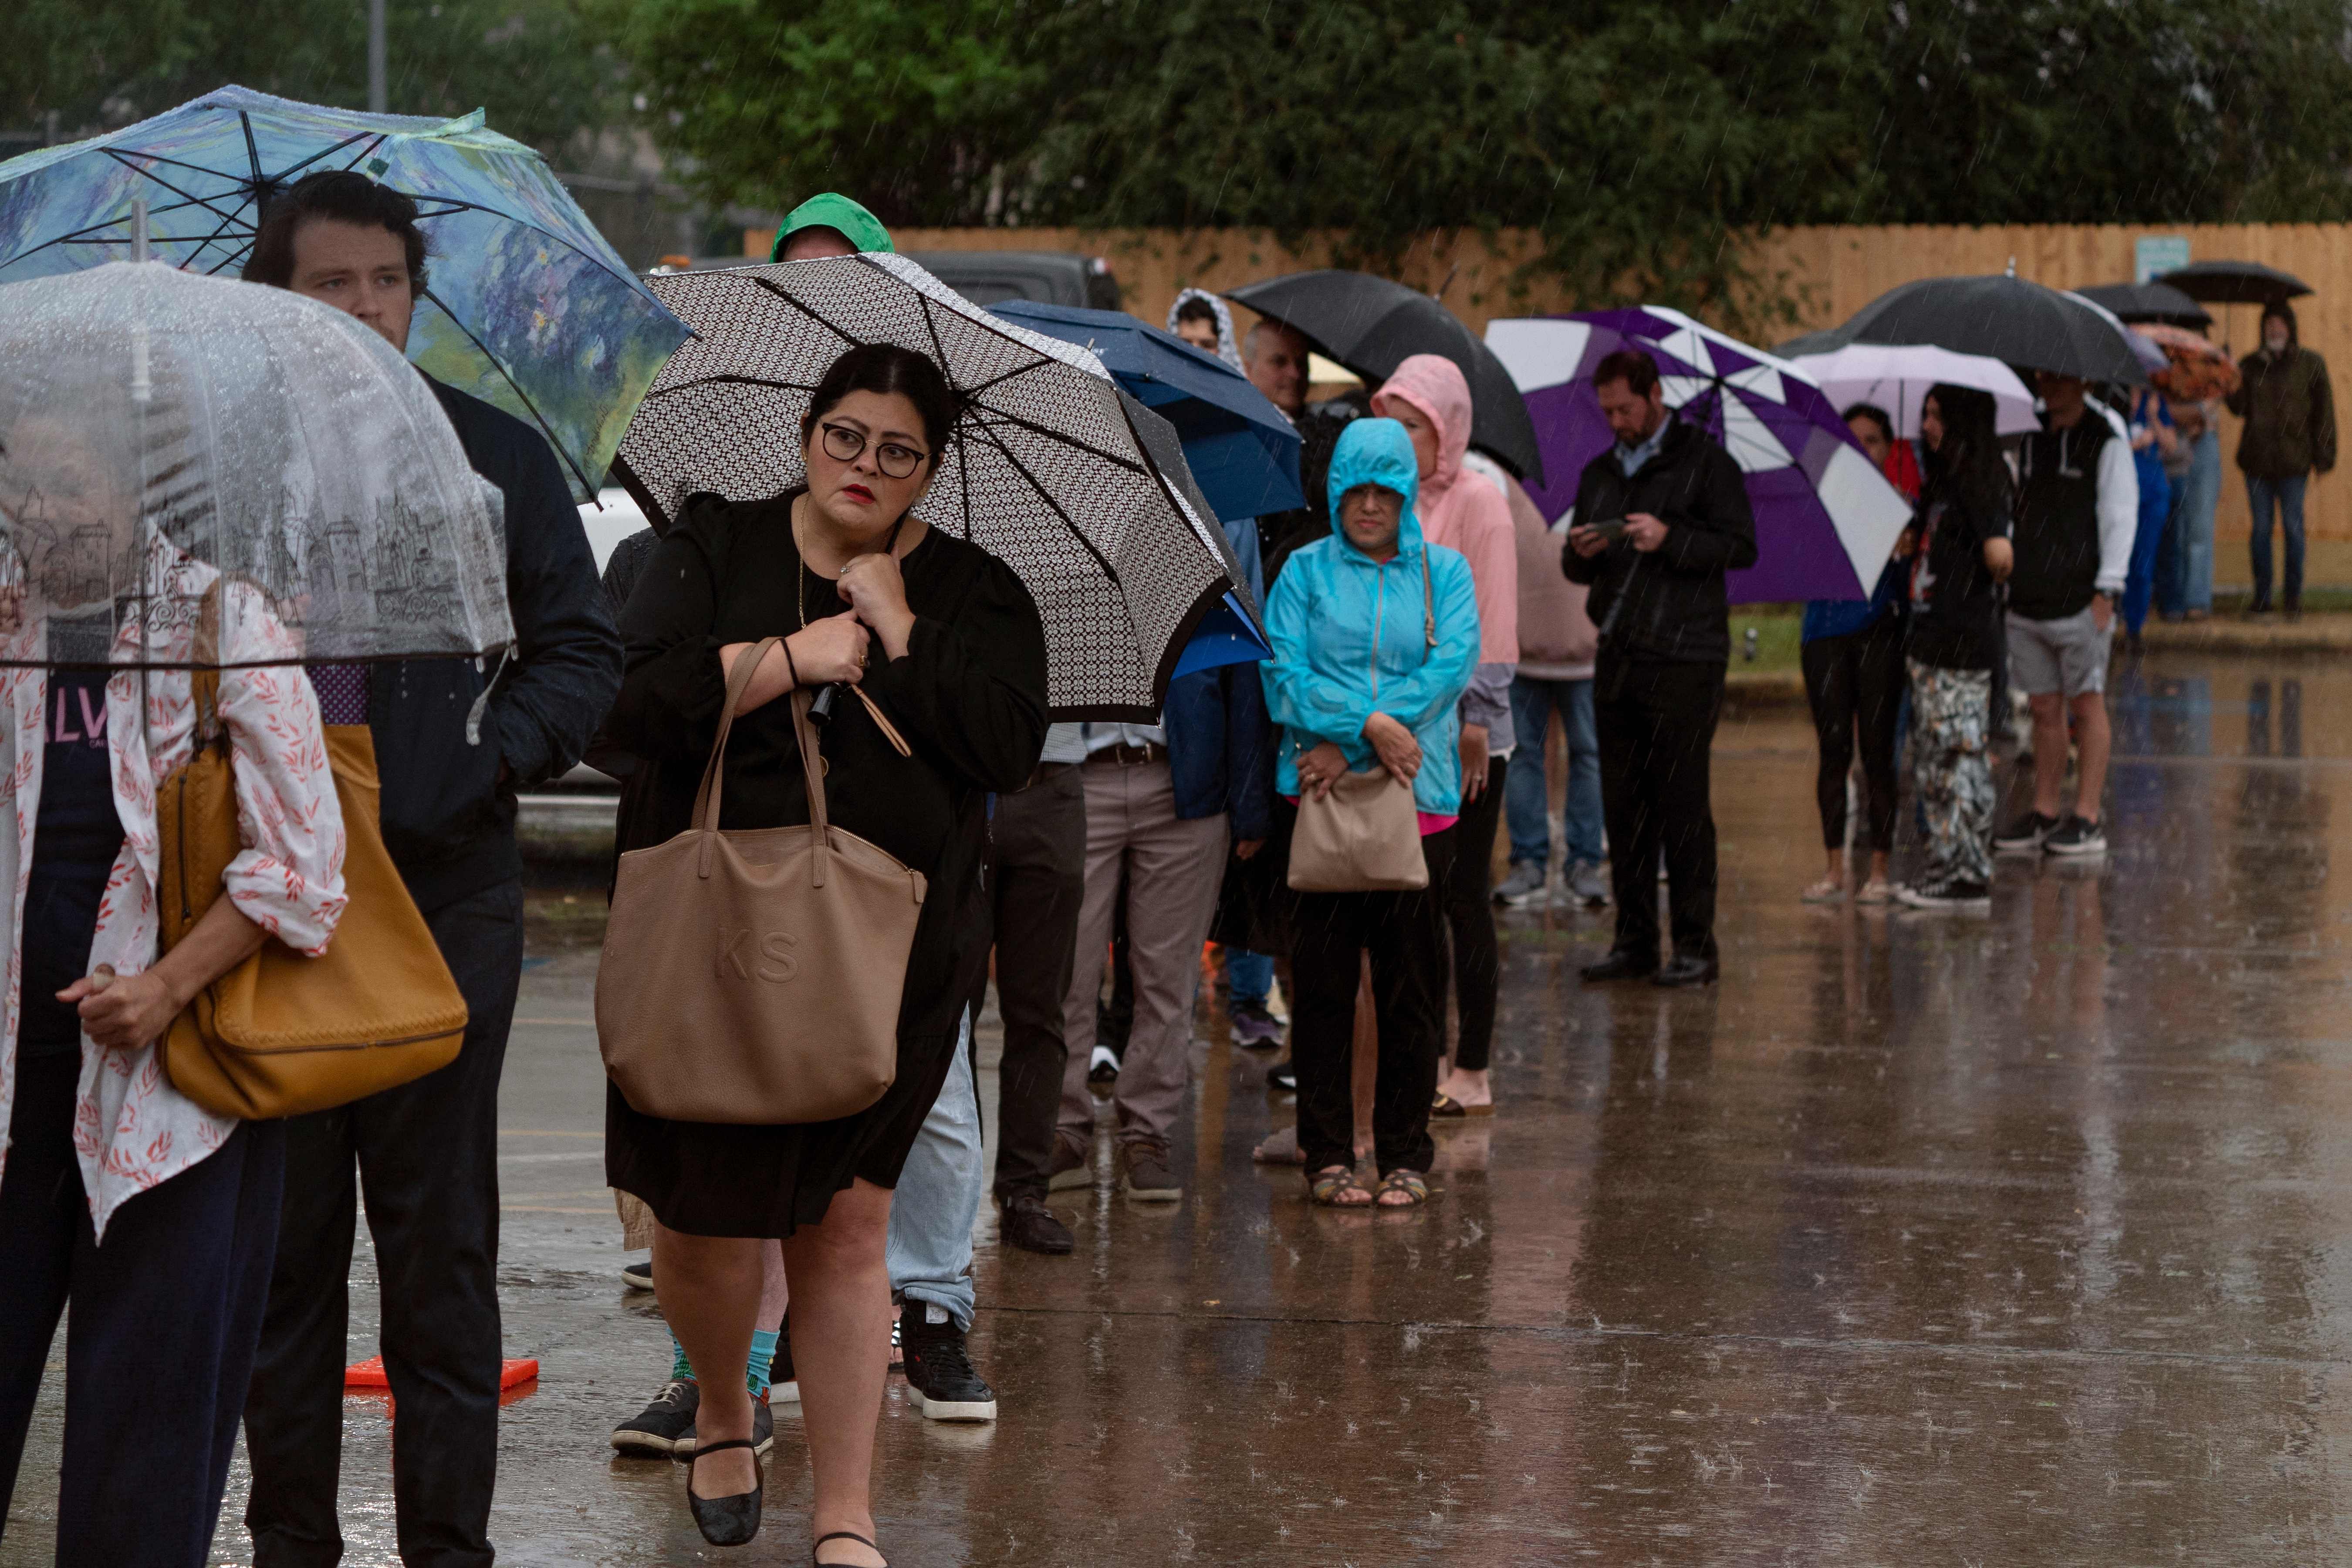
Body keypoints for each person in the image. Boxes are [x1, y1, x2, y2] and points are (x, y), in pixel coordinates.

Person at [600, 342, 1047, 1558]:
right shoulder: (710, 548)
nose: (866, 466)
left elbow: (1006, 750)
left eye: (898, 451)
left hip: (889, 954)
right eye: (846, 437)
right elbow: (626, 709)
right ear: (807, 432)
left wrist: (905, 632)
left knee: (850, 1223)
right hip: (708, 936)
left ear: (931, 469)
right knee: (696, 1217)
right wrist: (787, 661)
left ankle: (845, 1514)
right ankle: (731, 1407)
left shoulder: (977, 590)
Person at [239, 171, 622, 1568]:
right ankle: (290, 1540)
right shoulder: (218, 463)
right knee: (281, 1255)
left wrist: (468, 761)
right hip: (260, 910)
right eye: (328, 282)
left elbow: (582, 653)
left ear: (418, 295)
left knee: (439, 1246)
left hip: (443, 893)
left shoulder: (494, 459)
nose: (360, 307)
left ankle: (447, 1547)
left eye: (384, 283)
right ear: (271, 296)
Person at [0, 414, 347, 1568]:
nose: (51, 507)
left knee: (145, 1447)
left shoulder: (221, 619)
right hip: (10, 1088)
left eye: (76, 477)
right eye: (28, 478)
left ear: (141, 478)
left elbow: (304, 864)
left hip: (172, 1088)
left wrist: (161, 985)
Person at [1264, 417, 1479, 1209]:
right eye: (1352, 488)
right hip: (1319, 810)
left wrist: (1352, 740)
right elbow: (1281, 677)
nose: (1367, 504)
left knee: (1411, 994)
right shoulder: (1304, 572)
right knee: (1321, 991)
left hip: (1418, 811)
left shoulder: (1445, 576)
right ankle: (1326, 1153)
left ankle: (1403, 1156)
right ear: (1333, 491)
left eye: (1383, 489)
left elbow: (1449, 672)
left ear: (1406, 494)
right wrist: (1369, 727)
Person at [1563, 348, 1757, 988]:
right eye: (1608, 411)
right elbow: (1578, 570)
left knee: (1682, 804)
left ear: (1654, 397)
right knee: (1625, 806)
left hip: (1687, 654)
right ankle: (1635, 940)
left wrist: (1670, 538)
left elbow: (1740, 546)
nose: (1617, 421)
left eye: (1626, 408)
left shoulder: (1706, 462)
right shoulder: (1600, 473)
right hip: (1618, 653)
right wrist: (1583, 549)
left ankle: (1697, 946)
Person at [1054, 657, 1270, 1202]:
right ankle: (1062, 1128)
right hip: (1076, 777)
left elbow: (1242, 672)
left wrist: (1249, 803)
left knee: (1167, 979)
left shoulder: (1205, 566)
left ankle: (1147, 1135)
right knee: (1065, 971)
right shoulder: (1058, 567)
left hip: (1185, 781)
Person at [1368, 356, 1515, 1118]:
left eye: (1413, 423)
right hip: (1406, 730)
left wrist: (1478, 725)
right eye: (1388, 418)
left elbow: (1493, 619)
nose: (1398, 435)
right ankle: (1418, 1055)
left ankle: (1474, 1066)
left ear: (1446, 431)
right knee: (1413, 901)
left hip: (1468, 733)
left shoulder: (1480, 501)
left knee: (1464, 899)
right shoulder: (1388, 503)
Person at [1989, 371, 2134, 861]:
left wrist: (2107, 589)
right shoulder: (2024, 433)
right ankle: (2045, 811)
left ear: (2087, 380)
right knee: (2045, 709)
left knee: (2086, 706)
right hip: (2028, 597)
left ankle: (2088, 817)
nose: (2049, 385)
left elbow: (2119, 514)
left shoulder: (2106, 440)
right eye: (2044, 376)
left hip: (2081, 600)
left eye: (2060, 376)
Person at [1898, 385, 2014, 910]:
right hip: (1928, 637)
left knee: (1961, 758)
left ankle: (1968, 872)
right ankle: (1947, 863)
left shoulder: (1982, 480)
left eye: (1938, 416)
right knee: (1933, 761)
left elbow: (2000, 558)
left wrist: (1993, 538)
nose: (1927, 425)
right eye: (1924, 414)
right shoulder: (1940, 484)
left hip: (1964, 643)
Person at [1797, 404, 1912, 904]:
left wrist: (1902, 548)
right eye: (1855, 439)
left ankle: (1881, 869)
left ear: (1888, 447)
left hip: (1878, 635)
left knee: (1879, 753)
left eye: (1874, 440)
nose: (1864, 449)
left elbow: (1912, 584)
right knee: (1833, 749)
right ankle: (1834, 869)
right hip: (1824, 634)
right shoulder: (1818, 501)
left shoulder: (1903, 505)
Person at [1495, 466, 1605, 910]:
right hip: (1520, 650)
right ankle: (1529, 860)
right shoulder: (1501, 480)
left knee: (1589, 756)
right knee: (1522, 755)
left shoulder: (1601, 477)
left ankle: (1584, 862)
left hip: (1589, 653)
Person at [2226, 301, 2336, 618]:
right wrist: (2230, 378)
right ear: (2263, 330)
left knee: (2293, 528)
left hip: (2294, 463)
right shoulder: (2249, 365)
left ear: (2290, 329)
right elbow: (2239, 408)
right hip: (2257, 463)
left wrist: (2324, 457)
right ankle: (2263, 598)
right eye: (2269, 324)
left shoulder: (2310, 364)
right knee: (2261, 530)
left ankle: (2293, 599)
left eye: (2280, 324)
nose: (2274, 330)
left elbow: (2324, 414)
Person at [2119, 385, 2176, 649]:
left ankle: (2135, 627)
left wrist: (2153, 418)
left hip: (2152, 493)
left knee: (2144, 561)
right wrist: (2133, 444)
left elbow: (2171, 445)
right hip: (2121, 492)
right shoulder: (2115, 400)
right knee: (2120, 558)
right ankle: (2113, 617)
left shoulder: (2156, 402)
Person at [1169, 287, 1246, 370]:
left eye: (1207, 345)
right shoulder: (1158, 380)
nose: (1195, 354)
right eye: (1185, 344)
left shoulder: (1235, 383)